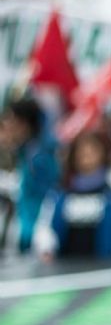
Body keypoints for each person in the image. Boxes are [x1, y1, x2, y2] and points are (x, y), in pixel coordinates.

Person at [34, 131, 111, 261]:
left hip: (107, 266)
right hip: (66, 266)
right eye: (82, 153)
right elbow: (45, 227)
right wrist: (46, 247)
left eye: (92, 152)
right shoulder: (59, 194)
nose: (87, 157)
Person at [3, 97, 59, 254]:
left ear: (24, 124)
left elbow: (49, 199)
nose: (7, 125)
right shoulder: (24, 152)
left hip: (35, 241)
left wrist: (35, 236)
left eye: (11, 120)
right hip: (21, 236)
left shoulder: (40, 158)